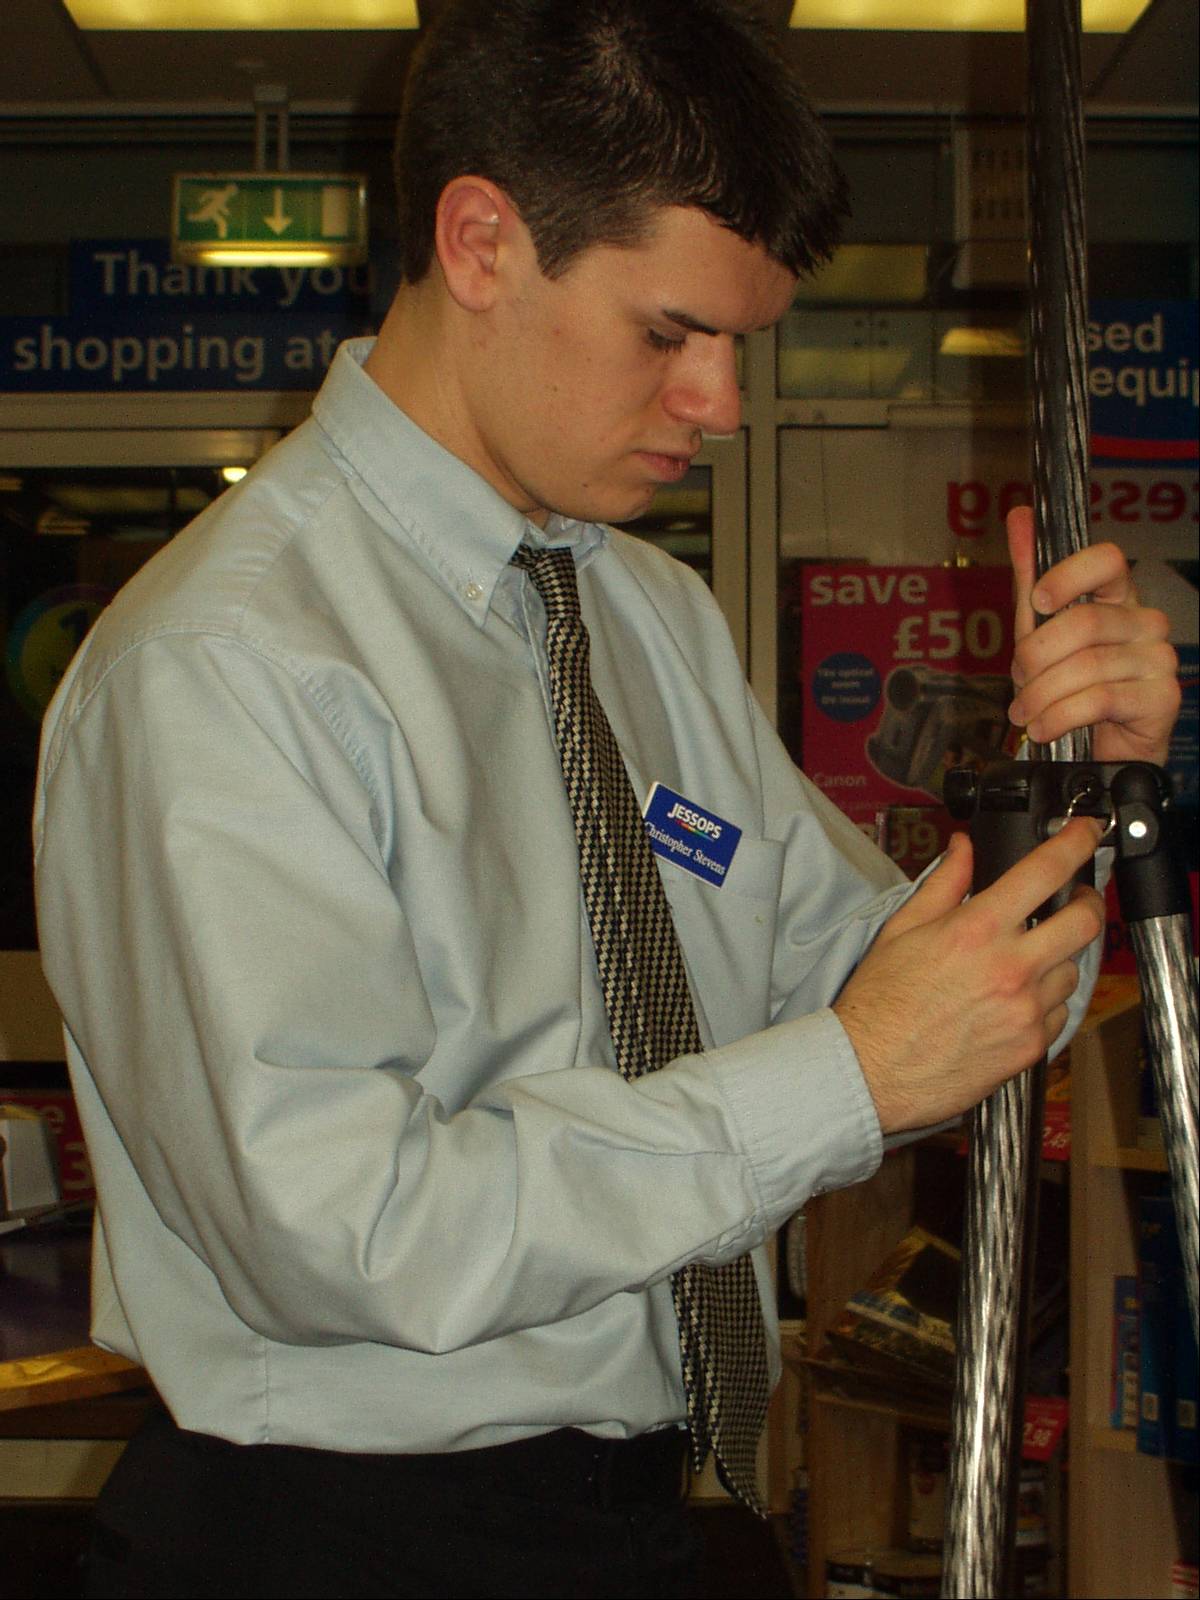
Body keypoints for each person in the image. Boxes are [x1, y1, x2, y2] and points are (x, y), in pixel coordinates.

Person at [33, 2, 1179, 1597]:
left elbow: (899, 998)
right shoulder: (227, 662)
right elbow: (339, 1231)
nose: (720, 403)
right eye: (669, 334)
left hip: (645, 1511)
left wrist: (1067, 792)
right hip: (331, 1537)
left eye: (741, 345)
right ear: (481, 243)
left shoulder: (643, 617)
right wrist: (846, 1075)